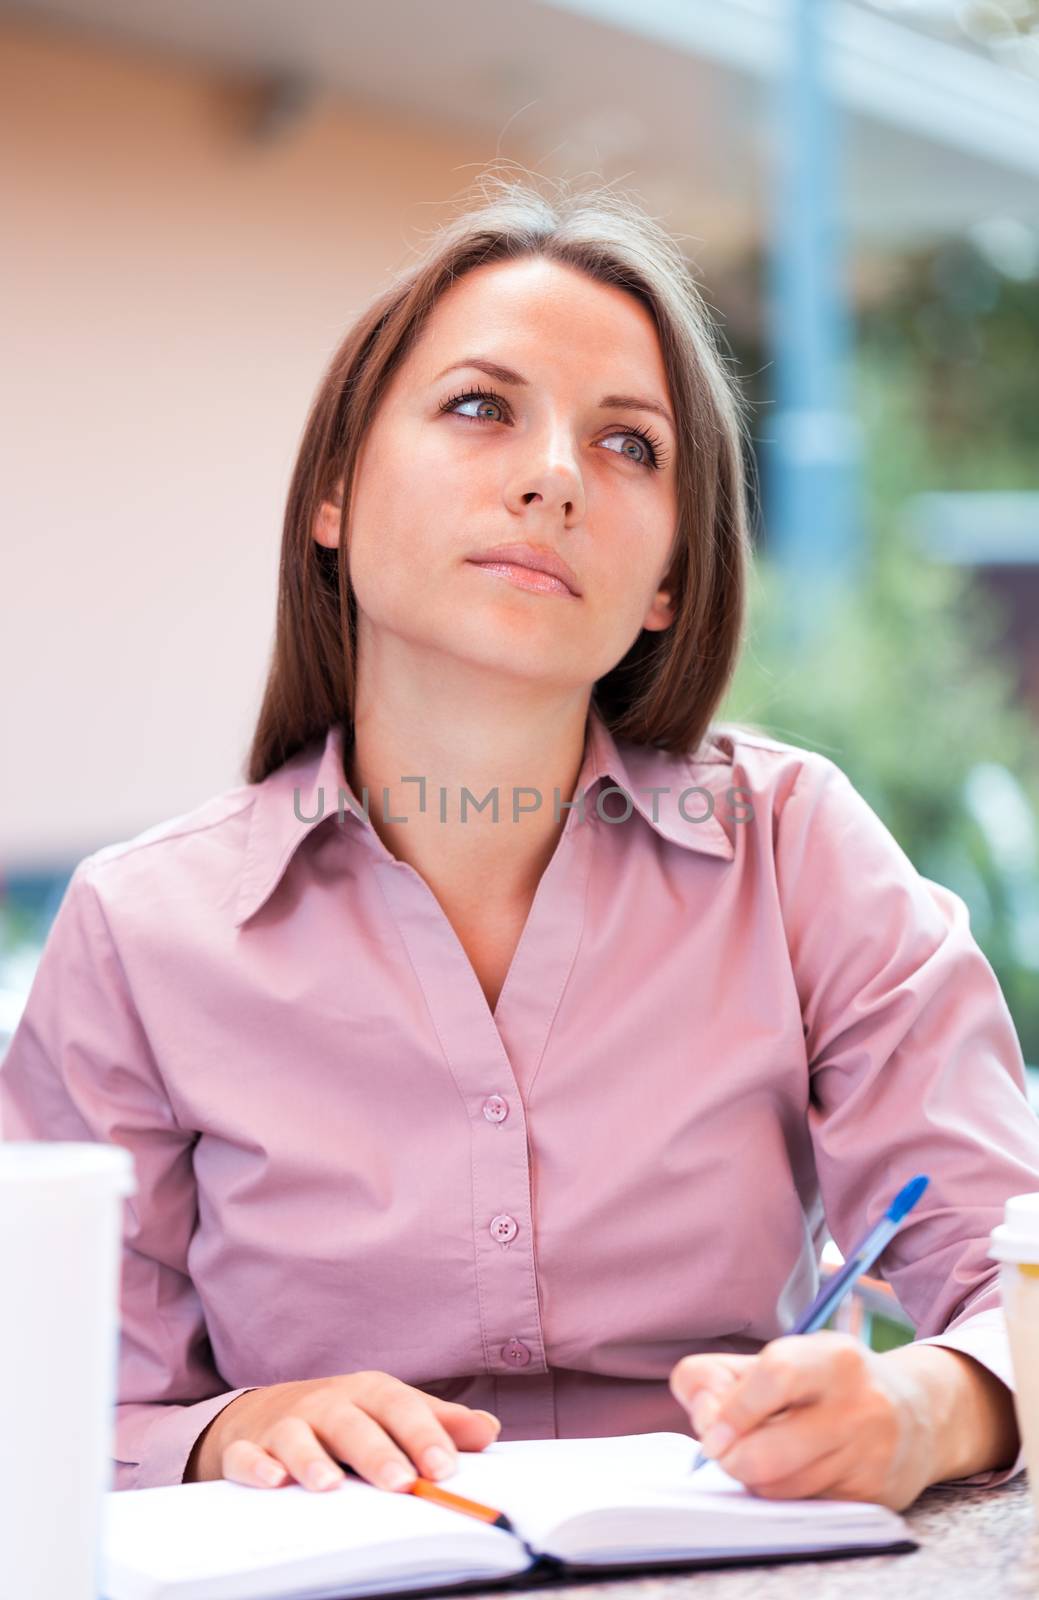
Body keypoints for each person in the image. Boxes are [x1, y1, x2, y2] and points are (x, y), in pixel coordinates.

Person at [3, 173, 1038, 1513]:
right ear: (331, 495)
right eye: (482, 408)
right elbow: (50, 1405)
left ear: (670, 576)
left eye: (629, 447)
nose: (555, 477)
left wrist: (924, 1405)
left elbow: (1010, 1262)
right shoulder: (137, 932)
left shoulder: (800, 853)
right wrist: (225, 1432)